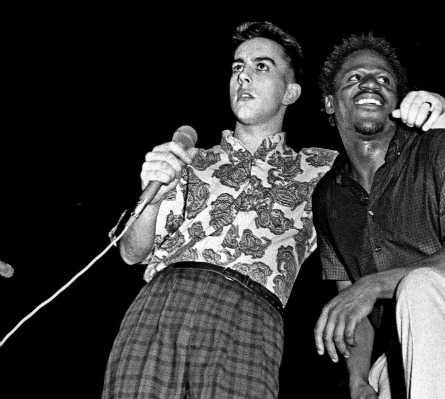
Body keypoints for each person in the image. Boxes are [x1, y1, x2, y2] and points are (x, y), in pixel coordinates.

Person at [101, 21, 339, 399]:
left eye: (261, 66)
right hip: (166, 300)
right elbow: (131, 252)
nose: (243, 75)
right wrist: (154, 199)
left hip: (251, 317)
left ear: (290, 92)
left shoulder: (321, 170)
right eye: (236, 67)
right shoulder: (189, 158)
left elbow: (380, 170)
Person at [312, 33, 445, 399]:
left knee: (421, 285)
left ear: (396, 100)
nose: (371, 84)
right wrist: (358, 380)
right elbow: (350, 304)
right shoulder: (328, 196)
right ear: (331, 102)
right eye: (355, 77)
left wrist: (374, 284)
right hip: (402, 352)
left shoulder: (441, 148)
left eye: (383, 79)